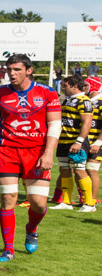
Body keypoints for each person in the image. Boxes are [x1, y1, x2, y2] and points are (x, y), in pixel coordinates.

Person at [0, 54, 61, 262]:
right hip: (8, 151)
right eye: (9, 70)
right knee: (8, 199)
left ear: (29, 70)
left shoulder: (48, 92)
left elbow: (55, 125)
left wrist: (49, 153)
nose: (11, 74)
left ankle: (31, 228)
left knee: (38, 204)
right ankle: (8, 249)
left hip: (37, 153)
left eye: (17, 70)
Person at [48, 74, 95, 213]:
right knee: (64, 170)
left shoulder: (84, 101)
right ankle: (66, 201)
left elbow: (87, 122)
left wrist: (79, 141)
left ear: (74, 86)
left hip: (76, 142)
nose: (62, 87)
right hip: (64, 141)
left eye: (65, 85)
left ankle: (89, 203)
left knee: (80, 171)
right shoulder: (68, 100)